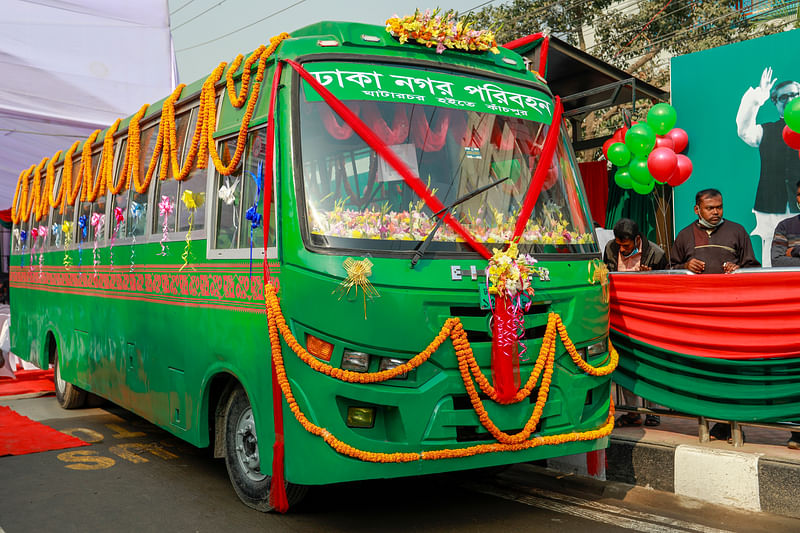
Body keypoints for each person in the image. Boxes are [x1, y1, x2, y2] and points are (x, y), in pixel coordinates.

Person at [604, 218, 666, 427]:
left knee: (649, 363)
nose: (621, 249)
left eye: (626, 245)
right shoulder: (610, 249)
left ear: (637, 239)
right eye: (619, 244)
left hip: (648, 318)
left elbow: (666, 285)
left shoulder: (656, 254)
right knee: (626, 364)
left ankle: (653, 410)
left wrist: (652, 279)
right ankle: (632, 412)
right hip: (621, 319)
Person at [736, 67, 800, 266]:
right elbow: (744, 130)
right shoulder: (767, 131)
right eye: (784, 97)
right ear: (775, 102)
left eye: (795, 95)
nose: (790, 100)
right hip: (774, 209)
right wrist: (758, 97)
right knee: (773, 265)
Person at [770, 179, 800, 449]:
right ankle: (798, 434)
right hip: (794, 314)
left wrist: (797, 250)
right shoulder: (786, 226)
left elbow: (790, 255)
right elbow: (777, 260)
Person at [670, 189, 761, 274]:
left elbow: (753, 268)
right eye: (710, 208)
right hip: (697, 290)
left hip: (729, 290)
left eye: (719, 207)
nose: (715, 212)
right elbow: (670, 270)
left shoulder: (737, 231)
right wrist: (686, 266)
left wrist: (737, 269)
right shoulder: (685, 235)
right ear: (697, 210)